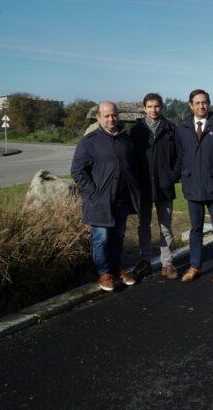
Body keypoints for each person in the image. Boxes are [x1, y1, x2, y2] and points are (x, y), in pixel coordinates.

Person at [71, 101, 142, 292]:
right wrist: (93, 193)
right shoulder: (90, 141)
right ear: (98, 117)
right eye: (106, 116)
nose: (111, 119)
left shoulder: (125, 139)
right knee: (101, 239)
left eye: (114, 115)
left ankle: (118, 269)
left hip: (122, 200)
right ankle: (104, 273)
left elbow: (132, 166)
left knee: (118, 237)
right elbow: (78, 171)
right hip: (99, 201)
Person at [176, 89, 213, 284]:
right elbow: (180, 155)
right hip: (192, 186)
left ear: (209, 104)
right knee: (196, 229)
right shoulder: (182, 128)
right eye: (197, 103)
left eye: (204, 102)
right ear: (190, 105)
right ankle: (195, 266)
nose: (201, 106)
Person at [130, 93, 179, 280]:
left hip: (164, 186)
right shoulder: (136, 131)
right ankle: (145, 261)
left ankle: (167, 263)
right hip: (143, 187)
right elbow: (130, 158)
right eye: (150, 106)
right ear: (144, 108)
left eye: (157, 106)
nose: (153, 110)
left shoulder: (170, 130)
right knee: (143, 226)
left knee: (165, 226)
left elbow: (179, 157)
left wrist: (172, 176)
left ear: (162, 107)